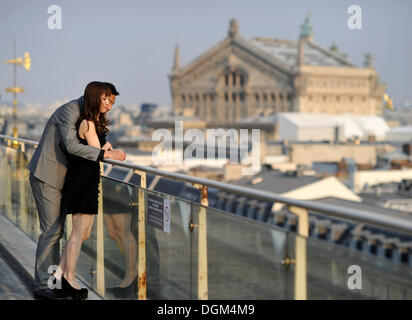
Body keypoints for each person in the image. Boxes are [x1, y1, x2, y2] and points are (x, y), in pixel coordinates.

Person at [28, 81, 126, 300]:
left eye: (112, 101)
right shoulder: (70, 111)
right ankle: (43, 286)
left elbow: (90, 140)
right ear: (95, 97)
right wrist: (105, 155)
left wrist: (104, 147)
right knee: (52, 231)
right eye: (106, 99)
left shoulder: (89, 115)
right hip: (48, 176)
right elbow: (72, 146)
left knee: (58, 231)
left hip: (64, 179)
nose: (110, 104)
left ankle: (55, 282)